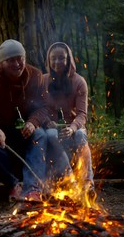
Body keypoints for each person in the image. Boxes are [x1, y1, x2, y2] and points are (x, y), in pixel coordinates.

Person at [0, 39, 48, 202]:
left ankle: (33, 188)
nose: (17, 64)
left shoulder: (35, 76)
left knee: (41, 135)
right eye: (10, 60)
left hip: (22, 129)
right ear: (2, 62)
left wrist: (32, 122)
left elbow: (44, 107)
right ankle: (13, 185)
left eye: (20, 58)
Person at [42, 42, 94, 195]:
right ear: (48, 60)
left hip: (73, 126)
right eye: (53, 58)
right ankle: (69, 177)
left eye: (61, 58)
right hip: (50, 127)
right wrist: (46, 122)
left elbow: (82, 114)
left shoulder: (79, 82)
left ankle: (87, 182)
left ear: (68, 60)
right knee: (51, 135)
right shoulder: (43, 81)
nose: (57, 62)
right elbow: (38, 109)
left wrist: (72, 128)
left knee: (80, 136)